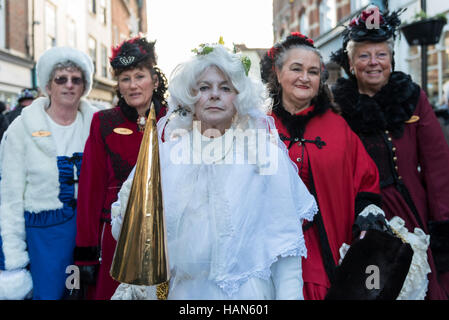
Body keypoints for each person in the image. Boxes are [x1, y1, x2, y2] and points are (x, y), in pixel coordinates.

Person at [110, 43, 318, 300]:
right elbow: (130, 237)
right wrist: (131, 208)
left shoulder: (264, 156)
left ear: (239, 96)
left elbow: (286, 254)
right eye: (204, 87)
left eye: (225, 88)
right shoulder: (166, 156)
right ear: (190, 96)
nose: (214, 95)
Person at [331, 6, 449, 299]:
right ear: (351, 62)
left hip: (413, 213)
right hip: (359, 217)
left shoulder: (413, 98)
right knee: (370, 290)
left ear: (392, 59)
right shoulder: (335, 106)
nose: (374, 62)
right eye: (364, 55)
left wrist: (443, 226)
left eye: (381, 54)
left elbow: (438, 168)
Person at [260, 31, 387, 300]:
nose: (305, 77)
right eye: (296, 69)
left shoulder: (338, 127)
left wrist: (368, 210)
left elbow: (364, 178)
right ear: (279, 74)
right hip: (269, 252)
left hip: (324, 248)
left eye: (313, 72)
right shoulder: (259, 126)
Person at [74, 36, 168, 300]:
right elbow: (90, 190)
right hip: (115, 239)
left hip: (166, 238)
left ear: (155, 80)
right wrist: (85, 255)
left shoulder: (173, 121)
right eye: (125, 78)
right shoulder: (102, 122)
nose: (133, 85)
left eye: (140, 76)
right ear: (118, 85)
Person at [0, 46, 96, 300]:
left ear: (84, 86)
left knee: (83, 295)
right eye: (61, 79)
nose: (69, 85)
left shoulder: (97, 125)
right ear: (48, 85)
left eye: (76, 80)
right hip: (44, 240)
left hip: (88, 236)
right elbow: (10, 197)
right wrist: (14, 259)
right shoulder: (22, 128)